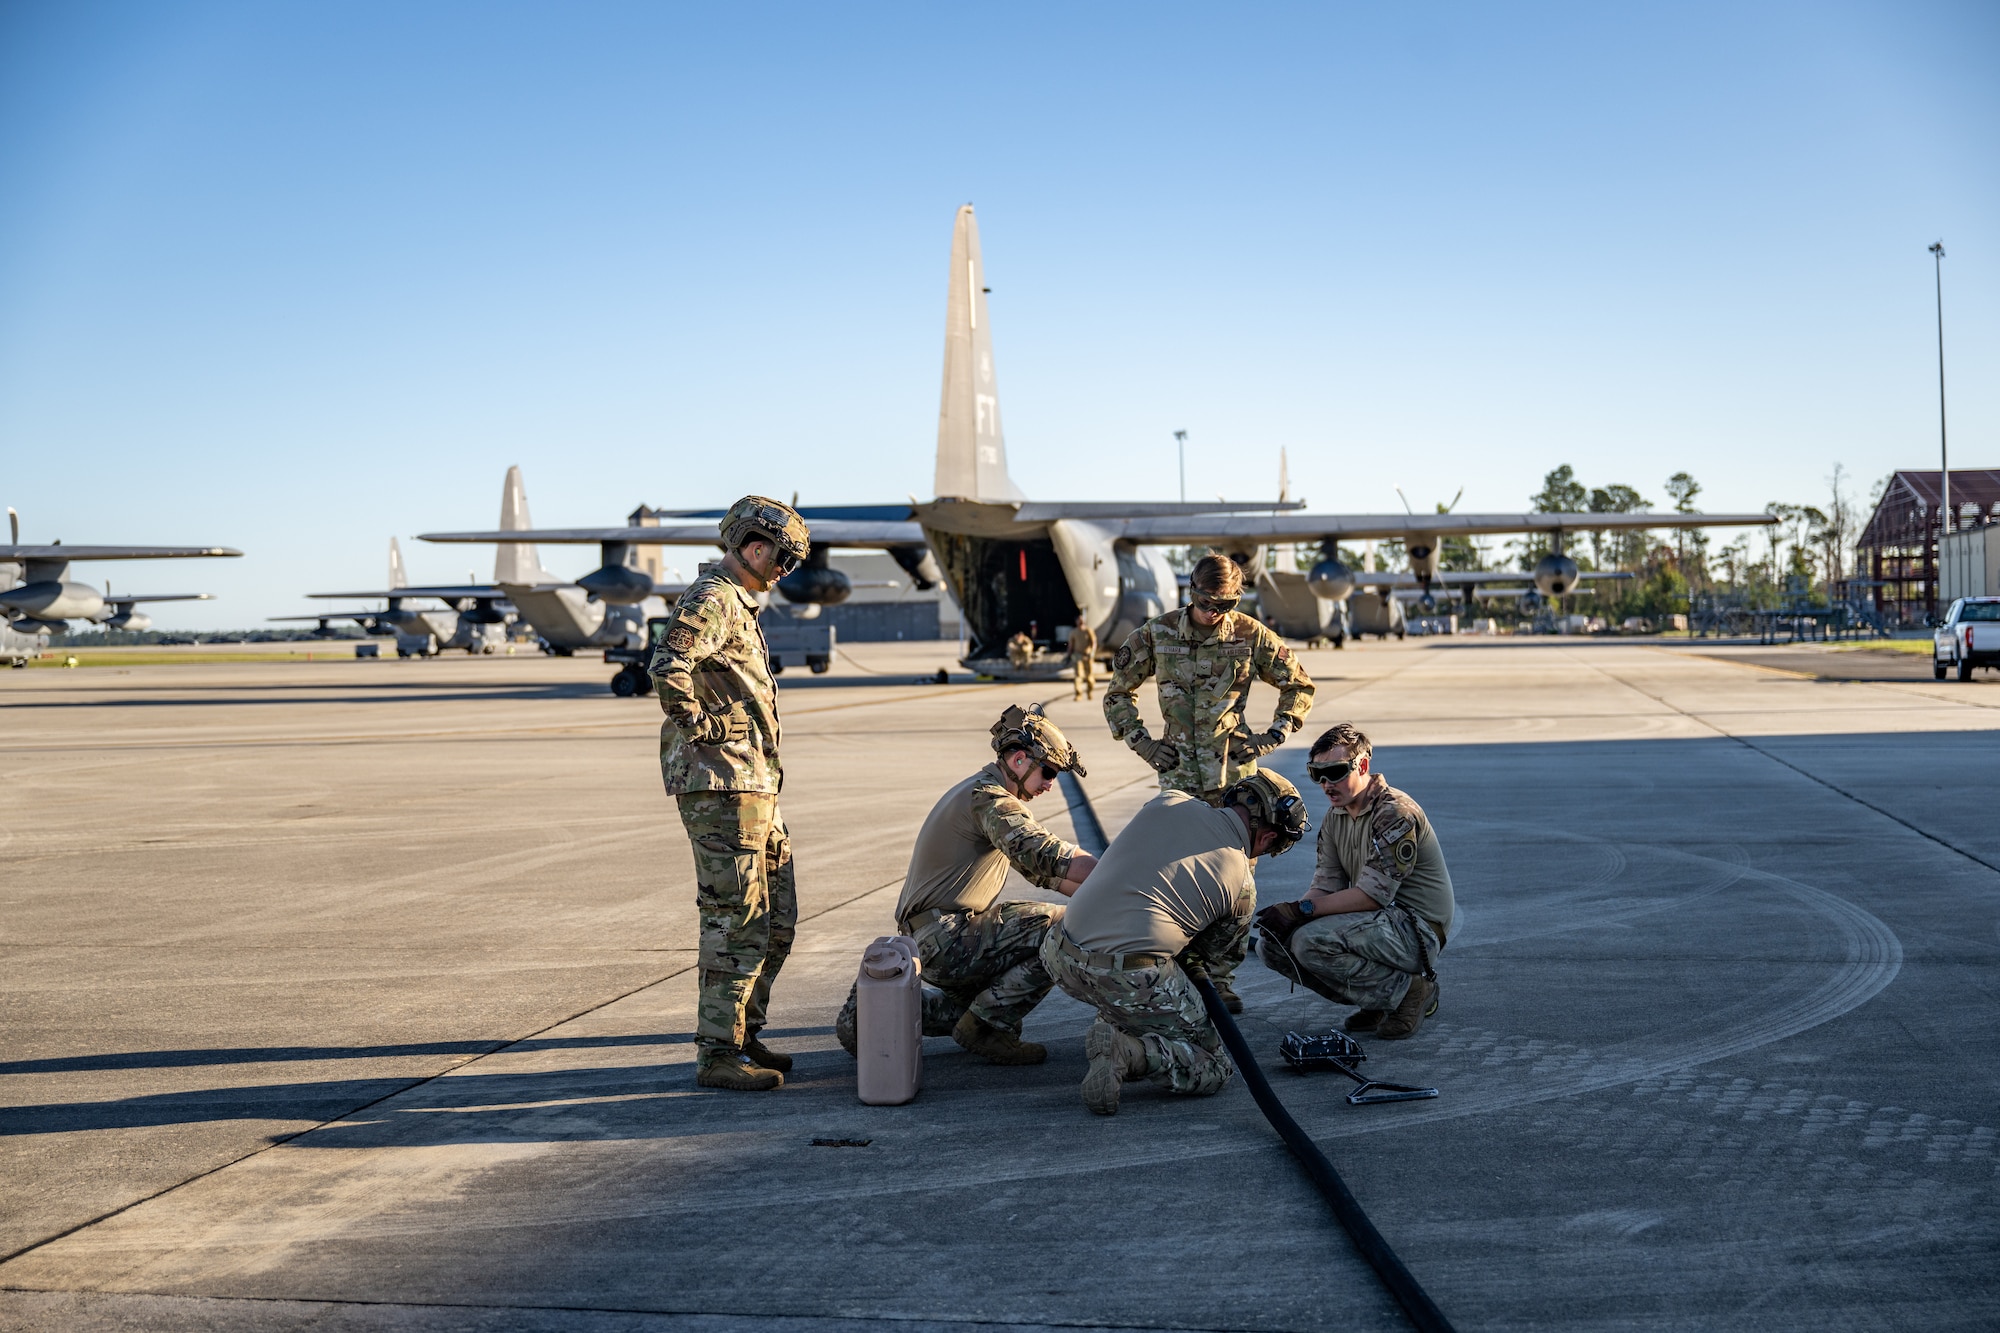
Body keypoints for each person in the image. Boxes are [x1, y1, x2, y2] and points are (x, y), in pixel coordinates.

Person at [1101, 553, 1315, 1011]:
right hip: (1178, 784)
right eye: (1206, 602)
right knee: (1174, 880)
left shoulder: (1248, 634)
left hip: (1235, 787)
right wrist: (1143, 744)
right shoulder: (1157, 635)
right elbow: (1118, 693)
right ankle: (1175, 971)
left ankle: (1219, 980)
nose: (1214, 613)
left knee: (1236, 888)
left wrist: (1271, 736)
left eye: (1226, 604)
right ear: (1191, 593)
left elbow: (1298, 685)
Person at [648, 495, 812, 1092]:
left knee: (778, 920)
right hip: (722, 787)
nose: (784, 572)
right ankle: (717, 1053)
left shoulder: (741, 605)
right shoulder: (714, 598)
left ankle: (743, 1033)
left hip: (754, 787)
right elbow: (669, 663)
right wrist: (702, 726)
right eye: (782, 559)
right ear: (754, 546)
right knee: (735, 920)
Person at [835, 705, 1096, 1063]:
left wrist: (1102, 897)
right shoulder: (990, 800)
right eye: (1048, 772)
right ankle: (984, 1028)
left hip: (931, 940)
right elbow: (1043, 853)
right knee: (1062, 927)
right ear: (1019, 760)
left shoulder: (983, 794)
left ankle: (871, 1014)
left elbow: (1046, 874)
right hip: (947, 938)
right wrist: (1115, 875)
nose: (1051, 784)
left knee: (989, 1015)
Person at [1041, 771, 1309, 1115]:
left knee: (1143, 971)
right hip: (1125, 976)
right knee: (1214, 1066)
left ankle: (1115, 1023)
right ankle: (1128, 1052)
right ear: (1267, 837)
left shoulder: (1169, 800)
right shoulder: (1242, 885)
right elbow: (1206, 962)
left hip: (1058, 953)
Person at [1254, 722, 1454, 1041]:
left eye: (1334, 772)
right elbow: (1326, 885)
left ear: (1362, 765)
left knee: (1310, 942)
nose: (1325, 784)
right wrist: (1291, 916)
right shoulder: (1337, 817)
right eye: (1316, 774)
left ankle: (1411, 991)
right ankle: (1376, 998)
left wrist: (1300, 910)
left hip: (1417, 928)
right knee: (1273, 947)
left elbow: (1372, 897)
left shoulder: (1394, 813)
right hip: (1375, 921)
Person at [1068, 613, 1098, 701]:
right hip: (1078, 656)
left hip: (1087, 655)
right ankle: (1078, 694)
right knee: (1078, 676)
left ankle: (1089, 692)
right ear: (1076, 621)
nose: (1080, 621)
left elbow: (1093, 642)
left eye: (1081, 620)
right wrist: (1069, 654)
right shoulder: (1074, 632)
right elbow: (1071, 644)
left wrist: (1092, 652)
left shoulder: (1088, 630)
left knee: (1089, 677)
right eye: (1078, 620)